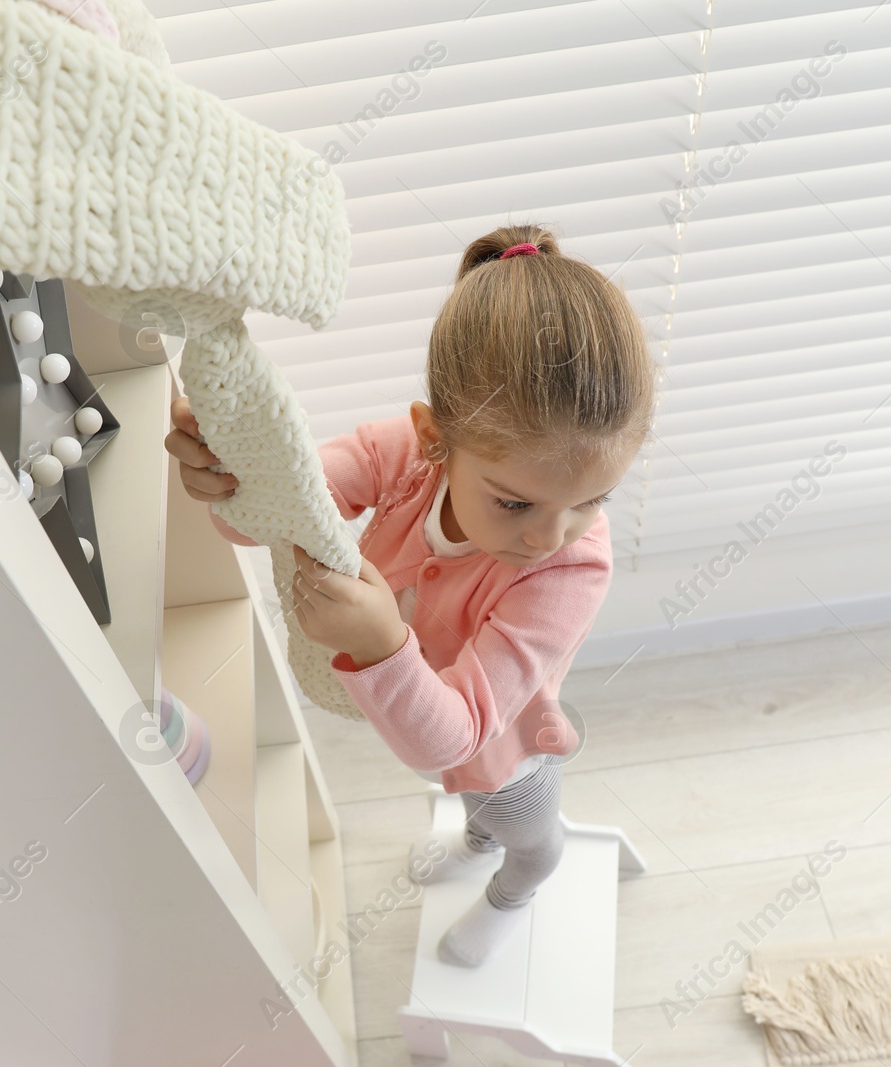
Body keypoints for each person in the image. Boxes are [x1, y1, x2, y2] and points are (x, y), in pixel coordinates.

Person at [165, 224, 655, 966]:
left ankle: (513, 892)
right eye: (517, 504)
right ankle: (475, 841)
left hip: (507, 750)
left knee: (523, 830)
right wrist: (233, 477)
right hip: (432, 723)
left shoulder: (571, 571)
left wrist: (379, 644)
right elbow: (285, 508)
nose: (551, 536)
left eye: (593, 500)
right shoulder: (401, 453)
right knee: (470, 809)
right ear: (433, 437)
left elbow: (457, 736)